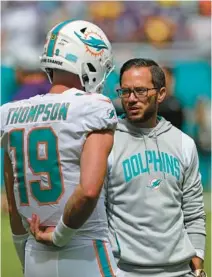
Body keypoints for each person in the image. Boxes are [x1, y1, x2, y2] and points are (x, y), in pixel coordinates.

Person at [1, 19, 119, 277]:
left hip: (35, 256)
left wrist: (26, 259)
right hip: (85, 248)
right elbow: (88, 191)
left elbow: (13, 207)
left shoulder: (9, 115)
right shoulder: (93, 107)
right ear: (87, 59)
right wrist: (60, 235)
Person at [105, 58, 206, 277]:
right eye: (125, 91)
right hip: (124, 271)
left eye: (140, 91)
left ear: (161, 94)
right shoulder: (105, 143)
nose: (131, 99)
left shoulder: (183, 143)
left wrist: (198, 262)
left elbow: (194, 213)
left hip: (181, 271)